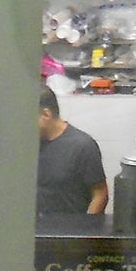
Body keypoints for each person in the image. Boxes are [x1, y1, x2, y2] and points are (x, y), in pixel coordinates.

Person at [38, 86, 108, 217]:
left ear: (46, 115)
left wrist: (86, 225)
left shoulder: (82, 146)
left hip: (69, 227)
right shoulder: (26, 146)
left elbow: (100, 193)